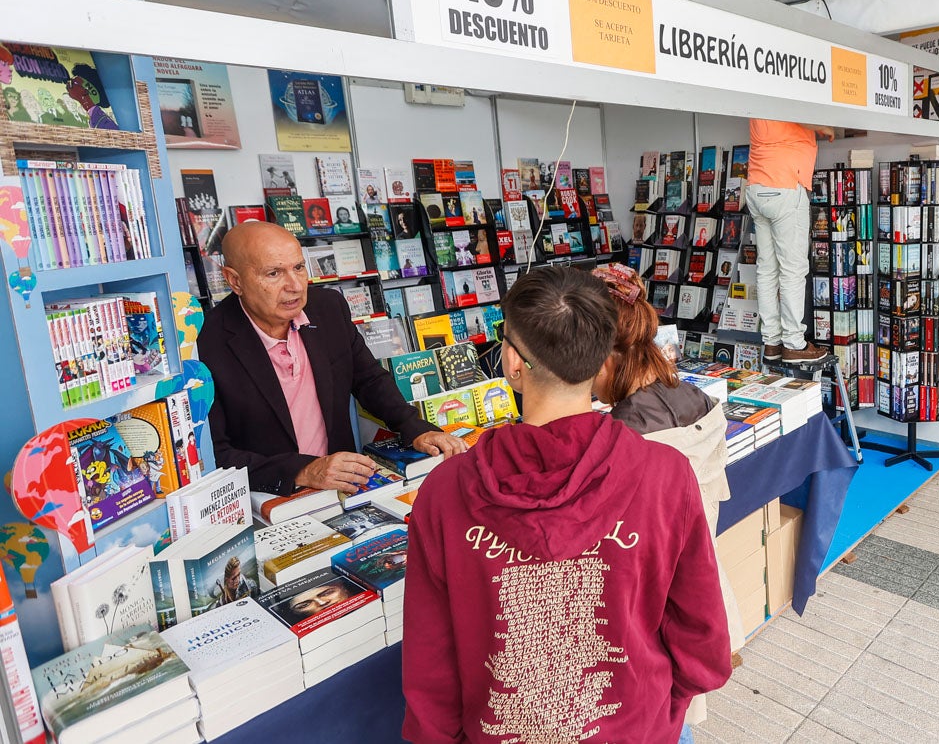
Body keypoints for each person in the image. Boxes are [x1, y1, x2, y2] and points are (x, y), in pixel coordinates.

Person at [402, 266, 731, 744]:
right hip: (638, 727)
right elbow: (702, 638)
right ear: (602, 362)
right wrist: (660, 709)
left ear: (513, 363)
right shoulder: (664, 474)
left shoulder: (445, 491)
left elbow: (431, 657)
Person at [200, 222, 463, 496]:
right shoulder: (207, 343)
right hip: (268, 499)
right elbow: (215, 452)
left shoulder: (327, 308)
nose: (294, 286)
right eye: (274, 273)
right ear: (235, 281)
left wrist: (415, 428)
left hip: (343, 489)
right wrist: (302, 470)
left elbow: (369, 379)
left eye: (299, 268)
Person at [590, 264, 742, 733]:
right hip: (697, 601)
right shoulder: (690, 394)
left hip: (646, 623)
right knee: (679, 717)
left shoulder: (624, 439)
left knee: (666, 718)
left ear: (606, 357)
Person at [746, 119, 834, 364]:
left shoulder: (758, 93)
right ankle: (794, 343)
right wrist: (822, 126)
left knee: (766, 269)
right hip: (784, 183)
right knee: (793, 269)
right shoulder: (784, 91)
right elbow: (803, 114)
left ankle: (771, 342)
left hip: (756, 185)